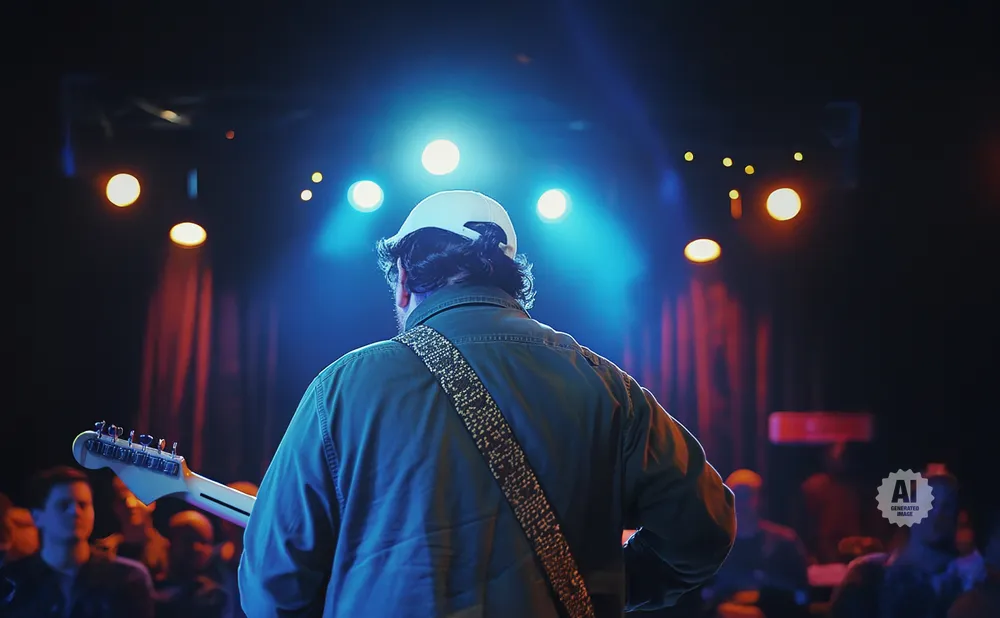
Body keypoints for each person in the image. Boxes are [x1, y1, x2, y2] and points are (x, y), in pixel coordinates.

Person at [240, 190, 736, 617]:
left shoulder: (344, 387)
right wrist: (608, 587)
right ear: (510, 282)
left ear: (404, 279)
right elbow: (704, 529)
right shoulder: (608, 387)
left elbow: (272, 583)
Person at [0, 466, 155, 618]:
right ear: (36, 517)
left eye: (83, 505)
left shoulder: (128, 578)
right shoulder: (11, 582)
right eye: (63, 505)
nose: (75, 512)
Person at [829, 472, 971, 618]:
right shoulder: (866, 574)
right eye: (929, 503)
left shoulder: (965, 578)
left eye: (947, 506)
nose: (937, 513)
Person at [703, 470, 809, 618]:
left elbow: (802, 593)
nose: (741, 503)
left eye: (747, 495)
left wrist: (765, 583)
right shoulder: (713, 546)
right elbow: (701, 595)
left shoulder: (783, 543)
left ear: (760, 499)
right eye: (735, 496)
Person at [94, 475, 170, 582]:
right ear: (115, 506)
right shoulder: (101, 552)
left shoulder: (169, 552)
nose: (130, 504)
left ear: (152, 502)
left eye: (137, 496)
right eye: (122, 499)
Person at [156, 511, 228, 618]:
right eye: (188, 539)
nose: (197, 548)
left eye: (203, 542)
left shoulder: (213, 597)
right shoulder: (145, 584)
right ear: (169, 543)